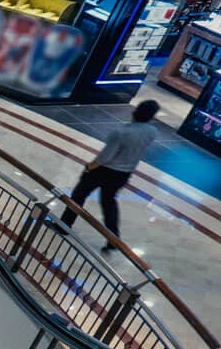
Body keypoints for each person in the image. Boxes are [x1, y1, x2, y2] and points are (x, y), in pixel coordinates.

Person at [62, 99, 158, 249]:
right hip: (124, 173)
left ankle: (64, 224)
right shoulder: (152, 132)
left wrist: (89, 167)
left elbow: (105, 157)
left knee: (79, 195)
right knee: (109, 203)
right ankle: (113, 237)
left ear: (135, 111)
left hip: (104, 170)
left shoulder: (121, 132)